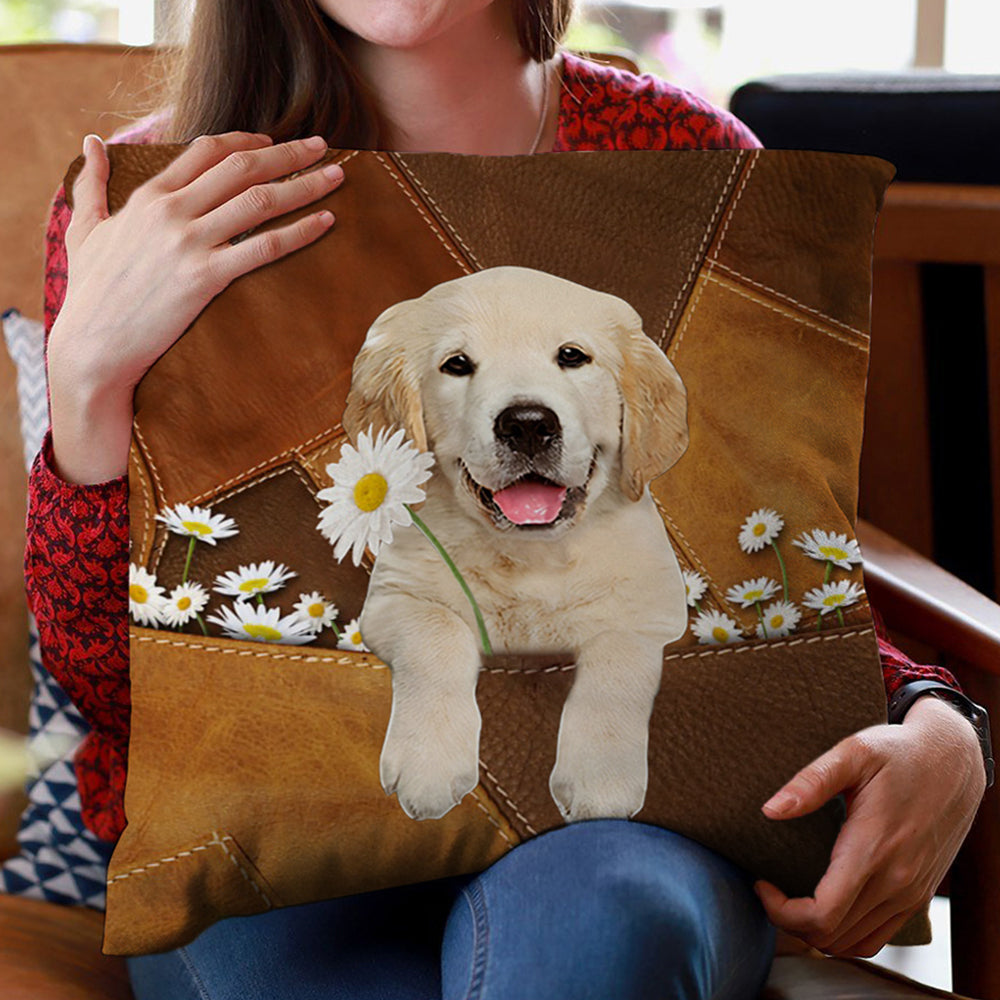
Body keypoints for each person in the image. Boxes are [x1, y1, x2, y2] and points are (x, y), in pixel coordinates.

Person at [24, 1, 988, 997]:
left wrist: (935, 713)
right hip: (265, 823)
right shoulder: (155, 207)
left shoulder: (692, 164)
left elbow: (760, 556)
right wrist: (88, 381)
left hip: (625, 829)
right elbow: (107, 683)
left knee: (602, 925)